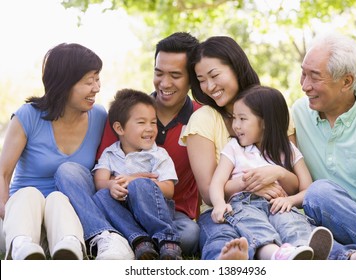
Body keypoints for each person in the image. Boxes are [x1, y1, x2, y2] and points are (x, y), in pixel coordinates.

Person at [182, 36, 297, 260]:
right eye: (201, 80)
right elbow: (207, 193)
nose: (209, 87)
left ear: (236, 67)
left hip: (275, 207)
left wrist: (276, 176)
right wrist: (253, 185)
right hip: (223, 211)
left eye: (214, 75)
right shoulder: (203, 119)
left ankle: (347, 259)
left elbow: (293, 183)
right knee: (222, 239)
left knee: (295, 232)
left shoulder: (274, 108)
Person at [96, 32, 201, 256]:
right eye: (159, 73)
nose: (164, 83)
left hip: (172, 215)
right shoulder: (126, 113)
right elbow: (105, 174)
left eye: (175, 75)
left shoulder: (202, 118)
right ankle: (136, 240)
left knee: (191, 235)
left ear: (192, 78)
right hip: (122, 206)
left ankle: (137, 243)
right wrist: (137, 180)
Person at [0, 43, 106, 260]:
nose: (96, 87)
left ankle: (69, 249)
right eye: (89, 81)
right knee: (28, 194)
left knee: (58, 199)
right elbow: (2, 174)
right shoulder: (28, 116)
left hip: (68, 220)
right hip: (24, 217)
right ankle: (22, 249)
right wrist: (6, 212)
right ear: (64, 84)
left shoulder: (100, 116)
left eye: (97, 79)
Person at [292, 32, 356, 260]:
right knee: (318, 193)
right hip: (326, 216)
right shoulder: (298, 113)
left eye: (314, 77)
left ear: (346, 81)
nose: (304, 85)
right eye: (303, 73)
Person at [209, 85, 333, 260]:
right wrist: (219, 204)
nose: (236, 125)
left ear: (265, 122)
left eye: (243, 119)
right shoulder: (234, 148)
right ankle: (276, 255)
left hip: (278, 204)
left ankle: (303, 251)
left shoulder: (287, 149)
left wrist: (289, 200)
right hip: (245, 204)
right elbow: (217, 183)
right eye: (234, 118)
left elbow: (308, 189)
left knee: (293, 223)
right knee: (256, 227)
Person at [92, 88, 182, 260]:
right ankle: (140, 240)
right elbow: (99, 181)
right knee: (101, 196)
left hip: (155, 212)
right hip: (125, 213)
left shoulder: (158, 155)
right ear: (119, 128)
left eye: (153, 122)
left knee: (140, 185)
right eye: (141, 123)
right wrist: (111, 185)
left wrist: (135, 181)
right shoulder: (110, 154)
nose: (150, 129)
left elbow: (169, 189)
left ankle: (167, 240)